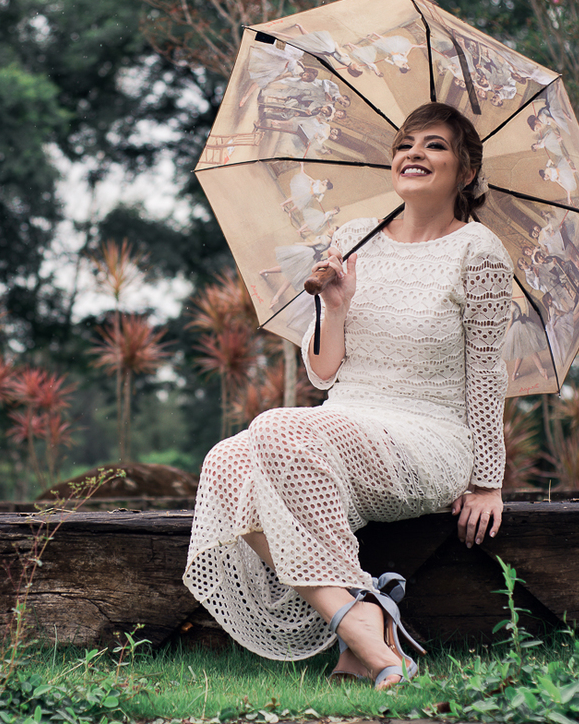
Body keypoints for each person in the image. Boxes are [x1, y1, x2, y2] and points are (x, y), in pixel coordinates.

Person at [183, 102, 512, 690]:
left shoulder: (479, 252)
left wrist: (488, 480)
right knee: (226, 462)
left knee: (275, 429)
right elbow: (325, 374)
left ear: (466, 171)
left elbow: (487, 374)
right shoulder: (352, 240)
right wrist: (333, 304)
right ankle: (363, 623)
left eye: (434, 145)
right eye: (404, 144)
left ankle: (365, 630)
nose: (413, 153)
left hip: (429, 437)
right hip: (344, 425)